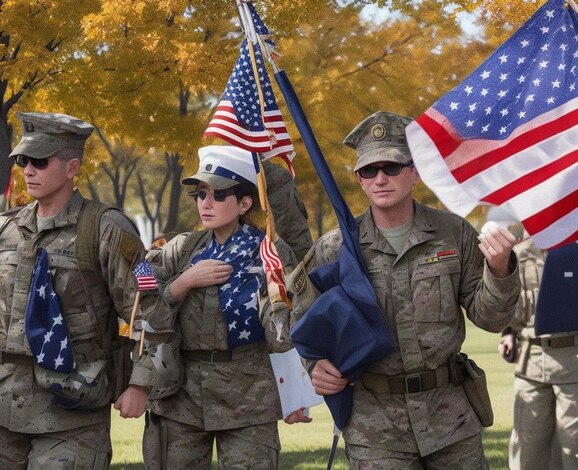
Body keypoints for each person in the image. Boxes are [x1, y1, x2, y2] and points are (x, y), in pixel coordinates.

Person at [289, 111, 521, 469]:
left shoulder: (453, 233)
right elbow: (304, 321)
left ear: (415, 172)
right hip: (375, 426)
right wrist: (315, 365)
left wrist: (500, 269)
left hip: (451, 419)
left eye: (392, 167)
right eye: (369, 170)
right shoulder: (336, 248)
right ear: (360, 180)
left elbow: (491, 318)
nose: (380, 178)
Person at [0, 112, 172, 468]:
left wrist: (140, 385)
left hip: (72, 410)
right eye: (23, 161)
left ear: (71, 166)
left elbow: (150, 309)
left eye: (40, 161)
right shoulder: (7, 230)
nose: (28, 170)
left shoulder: (107, 230)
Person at [142, 145, 309, 469]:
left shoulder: (270, 252)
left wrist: (296, 396)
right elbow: (138, 301)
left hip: (250, 394)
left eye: (218, 195)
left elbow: (293, 320)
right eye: (200, 194)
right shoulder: (180, 248)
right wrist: (183, 283)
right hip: (182, 395)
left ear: (245, 202)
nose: (206, 202)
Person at [498, 229, 578, 470]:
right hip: (531, 364)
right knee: (527, 452)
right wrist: (509, 332)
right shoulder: (518, 254)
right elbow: (501, 303)